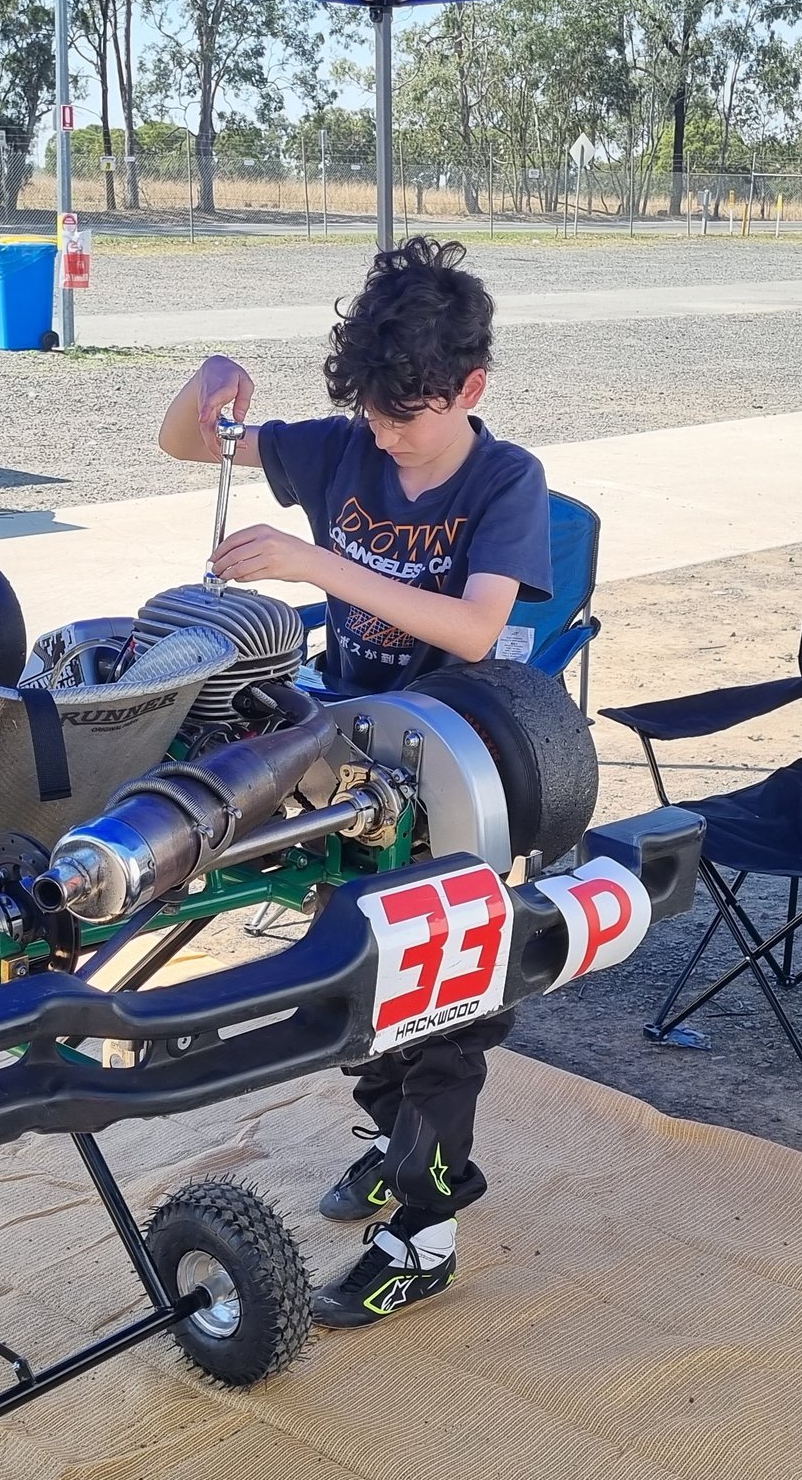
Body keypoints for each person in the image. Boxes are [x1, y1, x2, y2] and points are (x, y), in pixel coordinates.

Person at [157, 235, 551, 1329]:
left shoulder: (505, 478)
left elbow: (475, 629)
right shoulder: (343, 445)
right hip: (354, 756)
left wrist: (317, 565)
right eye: (371, 414)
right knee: (350, 975)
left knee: (441, 1012)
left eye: (404, 418)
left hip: (457, 767)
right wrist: (214, 383)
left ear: (469, 387)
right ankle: (391, 1146)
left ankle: (423, 1238)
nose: (382, 437)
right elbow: (188, 439)